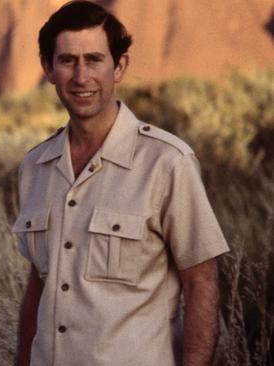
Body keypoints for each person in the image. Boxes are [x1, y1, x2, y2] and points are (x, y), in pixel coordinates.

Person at [13, 2, 229, 365]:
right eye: (67, 61)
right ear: (48, 68)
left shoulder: (167, 162)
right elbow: (39, 284)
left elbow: (201, 283)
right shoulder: (35, 167)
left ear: (120, 66)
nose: (81, 77)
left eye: (95, 59)